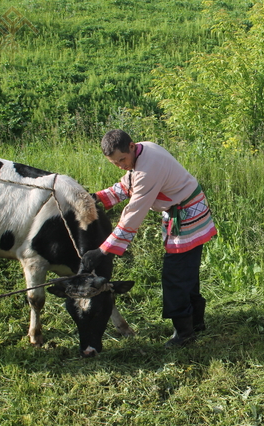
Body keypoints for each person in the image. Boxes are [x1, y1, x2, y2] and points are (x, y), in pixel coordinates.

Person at [81, 129, 217, 347]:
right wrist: (97, 197)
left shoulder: (147, 171)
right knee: (187, 272)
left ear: (132, 146)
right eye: (115, 163)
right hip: (189, 210)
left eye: (122, 160)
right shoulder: (143, 152)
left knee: (175, 275)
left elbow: (133, 214)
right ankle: (196, 323)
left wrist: (103, 250)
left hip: (186, 216)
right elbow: (126, 185)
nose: (121, 166)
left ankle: (184, 333)